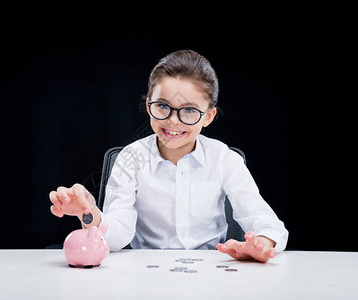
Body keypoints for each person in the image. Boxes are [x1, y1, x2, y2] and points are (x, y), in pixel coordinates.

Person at [49, 50, 288, 263]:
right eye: (162, 106)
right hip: (146, 271)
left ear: (208, 116)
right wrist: (89, 212)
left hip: (210, 272)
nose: (173, 120)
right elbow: (116, 237)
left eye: (190, 110)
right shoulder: (130, 158)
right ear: (148, 104)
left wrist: (261, 244)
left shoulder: (224, 159)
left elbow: (268, 224)